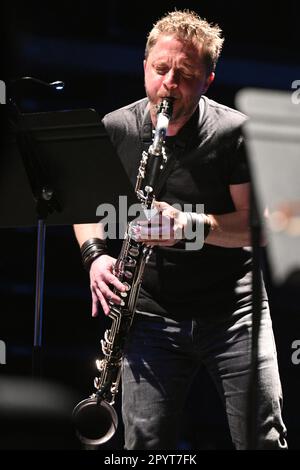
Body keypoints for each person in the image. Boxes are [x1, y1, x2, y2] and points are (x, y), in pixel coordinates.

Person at [74, 10, 287, 450]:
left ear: (208, 80)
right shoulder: (116, 128)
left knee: (261, 439)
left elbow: (261, 228)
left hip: (233, 313)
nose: (170, 83)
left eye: (186, 74)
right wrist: (95, 255)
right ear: (145, 66)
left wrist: (191, 225)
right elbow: (83, 205)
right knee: (145, 446)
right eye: (161, 69)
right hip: (150, 315)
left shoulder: (233, 133)